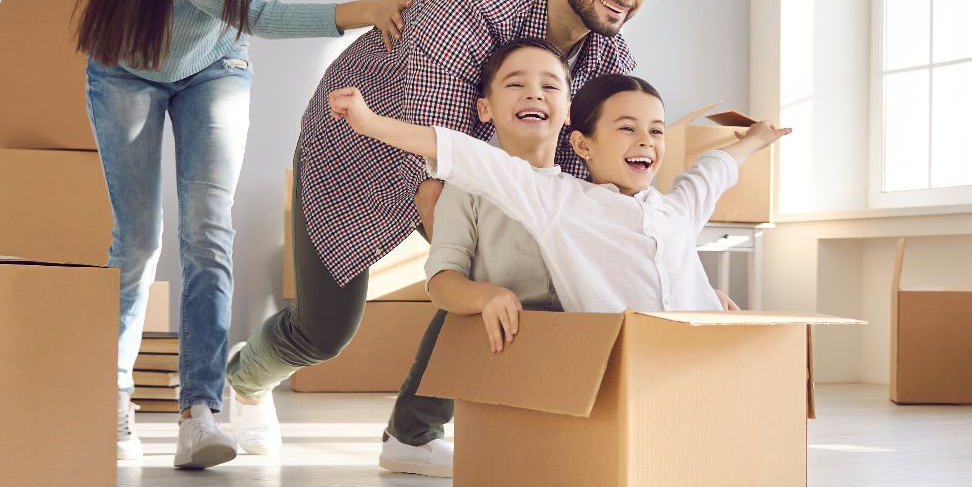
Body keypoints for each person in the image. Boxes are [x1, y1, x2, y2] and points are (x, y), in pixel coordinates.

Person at [77, 0, 458, 470]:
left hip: (216, 65)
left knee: (208, 231)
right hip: (128, 72)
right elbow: (252, 10)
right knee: (138, 241)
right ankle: (110, 402)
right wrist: (360, 11)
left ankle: (200, 412)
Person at [223, 0, 680, 457]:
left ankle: (411, 435)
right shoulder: (465, 5)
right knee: (324, 331)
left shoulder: (609, 62)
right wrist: (483, 280)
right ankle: (243, 378)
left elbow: (602, 194)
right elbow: (436, 173)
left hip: (469, 168)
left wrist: (683, 285)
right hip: (359, 147)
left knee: (510, 266)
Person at [323, 74, 789, 317]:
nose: (645, 141)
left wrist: (756, 139)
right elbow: (469, 156)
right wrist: (370, 123)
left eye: (655, 131)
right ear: (583, 144)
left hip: (705, 353)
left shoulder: (674, 210)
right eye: (626, 129)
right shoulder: (560, 203)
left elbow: (713, 170)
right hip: (629, 364)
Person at [378, 38, 572, 477]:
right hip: (491, 321)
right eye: (516, 84)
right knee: (459, 313)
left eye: (549, 86)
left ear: (569, 110)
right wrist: (484, 296)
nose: (534, 94)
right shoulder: (467, 185)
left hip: (561, 332)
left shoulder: (583, 190)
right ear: (485, 110)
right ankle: (411, 433)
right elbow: (442, 281)